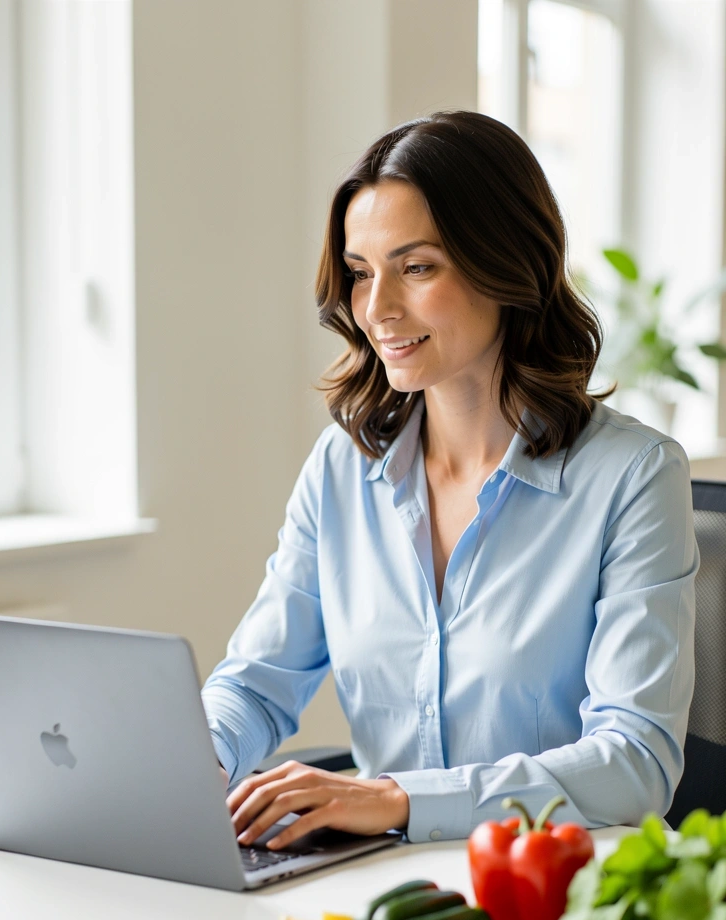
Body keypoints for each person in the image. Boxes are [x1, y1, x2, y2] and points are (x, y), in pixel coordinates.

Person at [201, 110, 699, 851]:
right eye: (362, 273)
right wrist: (197, 763)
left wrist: (399, 799)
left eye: (418, 267)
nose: (377, 310)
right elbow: (253, 684)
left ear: (508, 263)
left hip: (558, 895)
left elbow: (634, 761)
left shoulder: (631, 477)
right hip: (386, 895)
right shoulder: (342, 471)